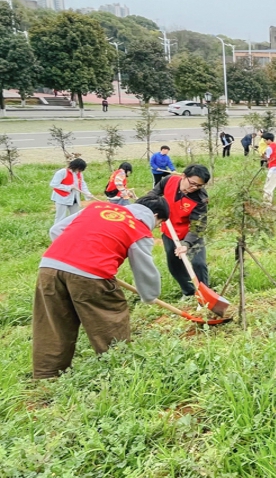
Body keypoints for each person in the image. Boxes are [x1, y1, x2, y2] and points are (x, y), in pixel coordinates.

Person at [32, 194, 170, 379]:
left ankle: (47, 376)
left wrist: (72, 258)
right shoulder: (139, 229)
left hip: (49, 268)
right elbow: (144, 268)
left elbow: (57, 230)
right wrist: (150, 295)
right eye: (159, 223)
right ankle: (119, 371)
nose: (156, 226)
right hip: (91, 275)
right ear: (155, 216)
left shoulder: (96, 208)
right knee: (110, 317)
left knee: (53, 322)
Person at [150, 164, 210, 298]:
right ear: (183, 176)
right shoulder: (168, 181)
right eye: (192, 183)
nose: (194, 188)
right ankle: (188, 292)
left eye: (199, 186)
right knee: (175, 265)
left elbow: (198, 225)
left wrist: (186, 244)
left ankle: (205, 295)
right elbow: (153, 195)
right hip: (170, 231)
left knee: (198, 264)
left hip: (191, 233)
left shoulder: (200, 198)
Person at [50, 158, 95, 224]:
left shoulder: (79, 173)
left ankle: (72, 230)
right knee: (60, 217)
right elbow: (54, 184)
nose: (79, 171)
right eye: (79, 169)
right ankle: (58, 232)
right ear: (75, 166)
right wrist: (69, 187)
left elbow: (82, 184)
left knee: (75, 216)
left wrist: (87, 193)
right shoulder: (62, 172)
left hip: (74, 197)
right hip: (62, 197)